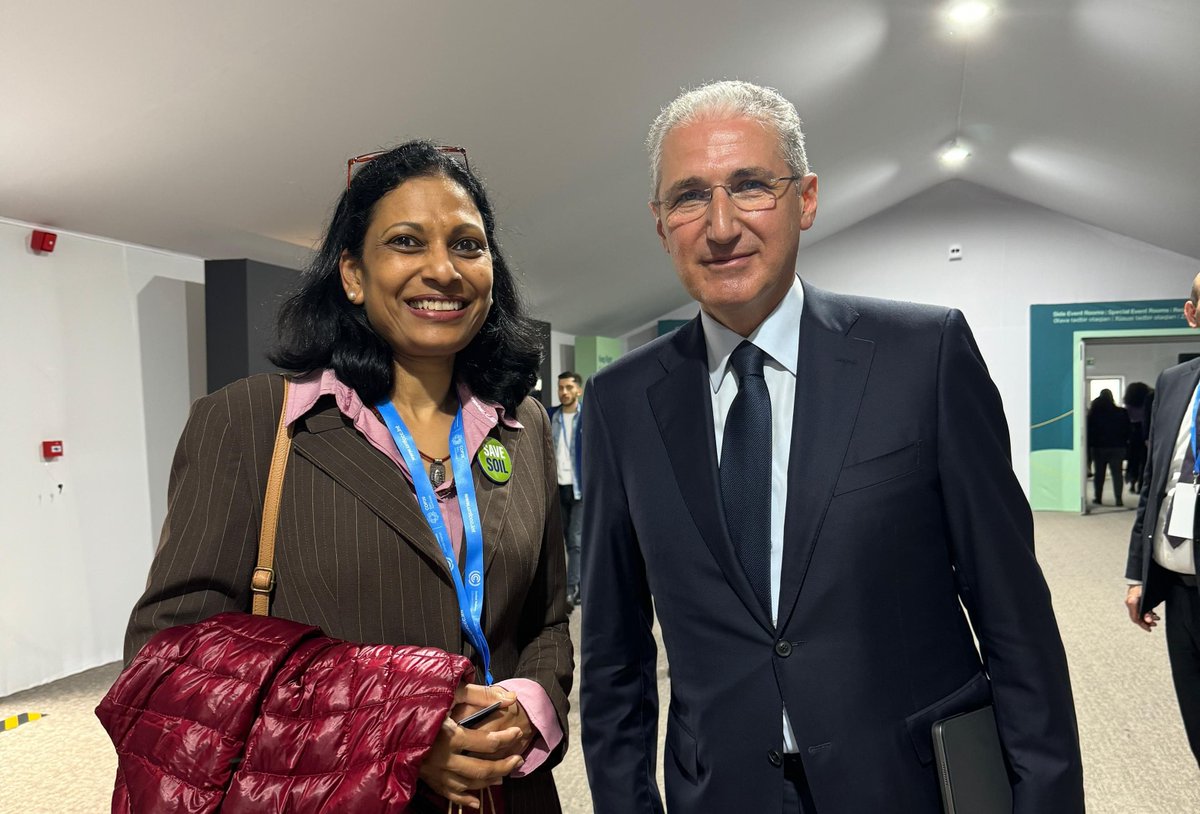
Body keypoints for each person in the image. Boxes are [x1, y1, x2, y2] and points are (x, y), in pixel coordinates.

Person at [580, 80, 1083, 814]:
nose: (721, 226)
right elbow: (614, 655)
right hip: (722, 793)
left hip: (907, 783)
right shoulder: (620, 402)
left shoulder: (923, 355)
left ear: (805, 199)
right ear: (660, 225)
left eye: (751, 186)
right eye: (689, 197)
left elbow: (1015, 619)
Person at [125, 141, 572, 812]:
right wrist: (398, 731)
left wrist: (531, 704)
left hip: (507, 794)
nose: (442, 269)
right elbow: (167, 662)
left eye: (468, 245)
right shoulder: (250, 423)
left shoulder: (523, 425)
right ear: (353, 274)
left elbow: (547, 616)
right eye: (406, 241)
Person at [1124, 272, 1200, 767]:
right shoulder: (1175, 382)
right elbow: (1154, 486)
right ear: (1193, 313)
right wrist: (1137, 575)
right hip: (1177, 584)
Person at [549, 371, 584, 608]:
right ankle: (566, 588)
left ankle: (571, 590)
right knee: (558, 541)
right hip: (556, 486)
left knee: (575, 540)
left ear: (578, 390)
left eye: (569, 387)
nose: (564, 392)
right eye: (561, 388)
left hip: (580, 488)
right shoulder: (551, 415)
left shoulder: (588, 417)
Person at [1088, 388, 1131, 506]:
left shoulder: (1094, 413)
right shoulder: (1121, 412)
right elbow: (1128, 429)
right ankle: (1118, 499)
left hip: (1099, 447)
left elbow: (1089, 431)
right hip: (1117, 447)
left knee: (1099, 474)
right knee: (1117, 474)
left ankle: (1098, 497)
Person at [1124, 381, 1153, 494]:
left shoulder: (1128, 404)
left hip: (1133, 432)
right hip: (1145, 432)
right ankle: (1141, 485)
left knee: (1133, 460)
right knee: (1144, 461)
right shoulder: (1147, 402)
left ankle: (1132, 481)